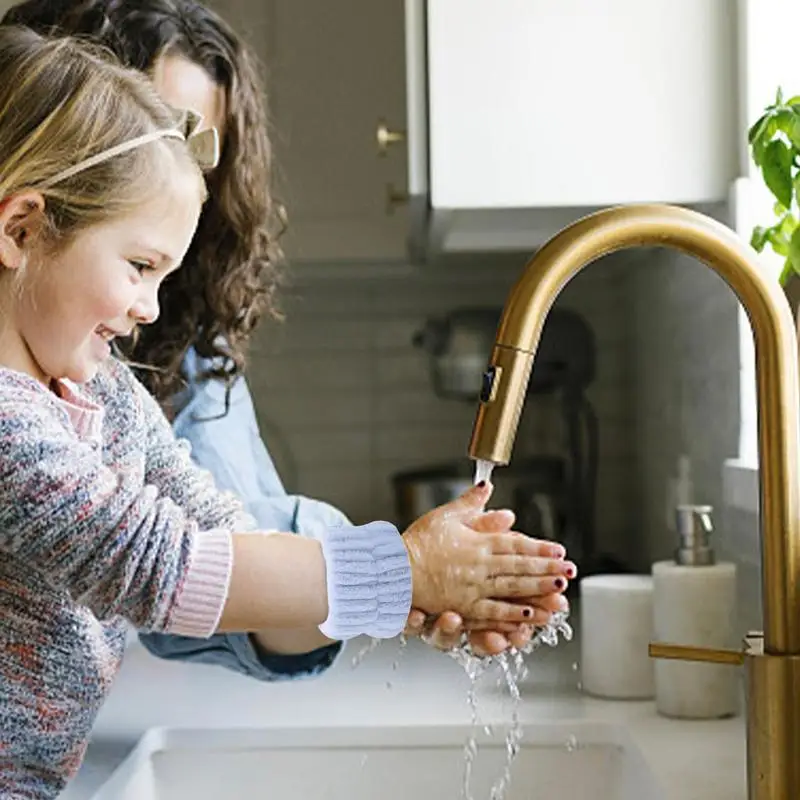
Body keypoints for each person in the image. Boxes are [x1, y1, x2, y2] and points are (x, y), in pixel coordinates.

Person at [0, 29, 576, 797]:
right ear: (22, 228)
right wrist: (406, 573)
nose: (148, 309)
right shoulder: (8, 424)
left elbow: (222, 534)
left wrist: (409, 595)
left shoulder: (100, 391)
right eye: (140, 266)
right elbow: (155, 565)